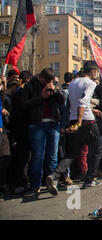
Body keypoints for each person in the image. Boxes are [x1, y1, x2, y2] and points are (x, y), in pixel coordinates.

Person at [46, 61, 102, 194]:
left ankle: (54, 175)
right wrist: (79, 121)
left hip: (73, 120)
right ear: (93, 71)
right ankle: (89, 180)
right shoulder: (91, 83)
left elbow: (74, 102)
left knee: (72, 153)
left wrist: (74, 122)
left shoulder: (73, 83)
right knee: (97, 149)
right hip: (86, 122)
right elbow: (83, 101)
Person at [21, 68, 65, 197]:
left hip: (53, 123)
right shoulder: (30, 86)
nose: (48, 83)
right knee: (37, 157)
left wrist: (55, 91)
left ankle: (51, 182)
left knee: (52, 155)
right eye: (46, 81)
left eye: (50, 81)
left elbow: (62, 100)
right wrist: (40, 97)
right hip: (37, 124)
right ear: (41, 78)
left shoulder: (54, 85)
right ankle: (35, 185)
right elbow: (24, 104)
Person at [9, 71, 32, 194]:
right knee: (22, 156)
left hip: (18, 127)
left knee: (22, 156)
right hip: (22, 127)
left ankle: (21, 181)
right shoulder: (22, 92)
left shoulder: (18, 92)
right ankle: (19, 183)